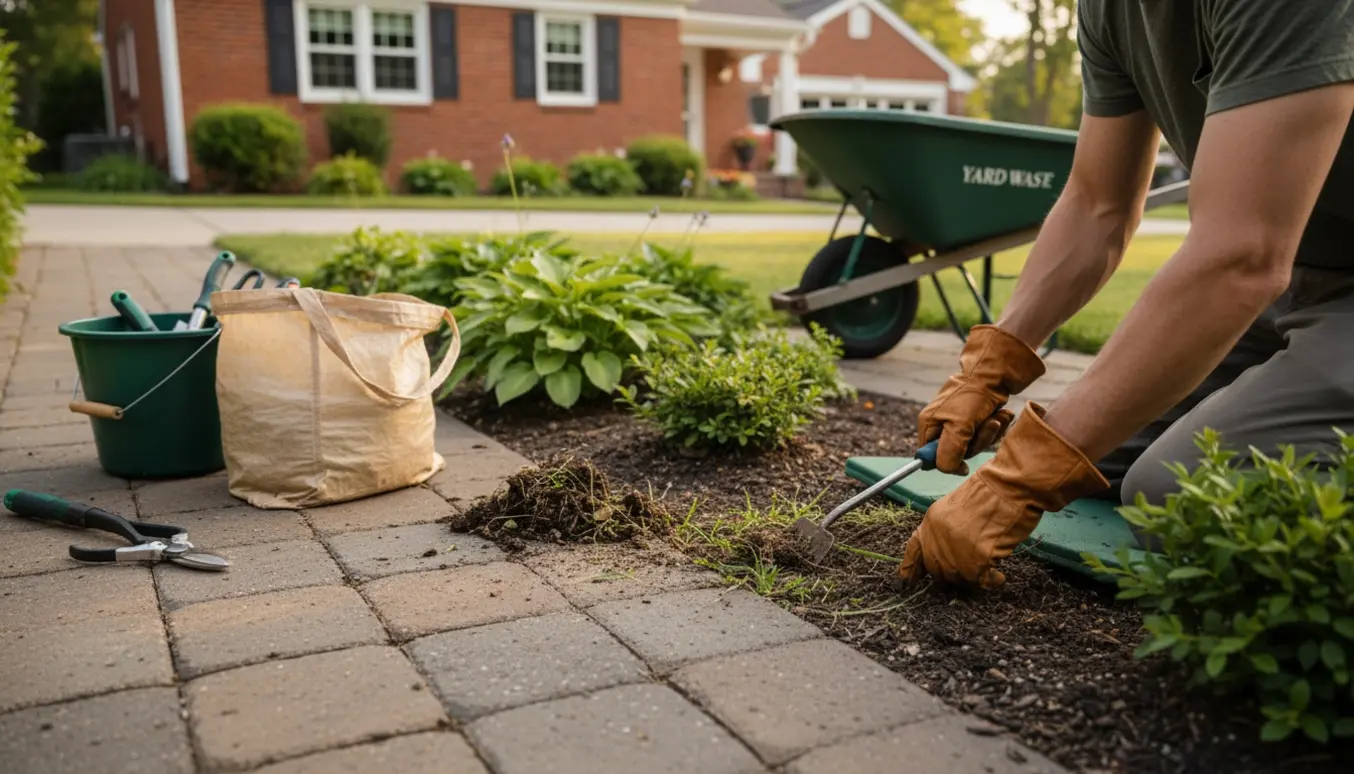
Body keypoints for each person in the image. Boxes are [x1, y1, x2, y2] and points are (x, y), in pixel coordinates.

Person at [895, 0, 1354, 590]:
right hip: (1297, 280)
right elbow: (1098, 205)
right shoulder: (1111, 9)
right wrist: (990, 367)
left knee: (1175, 493)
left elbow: (1242, 255)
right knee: (1096, 454)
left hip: (1306, 281)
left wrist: (1017, 483)